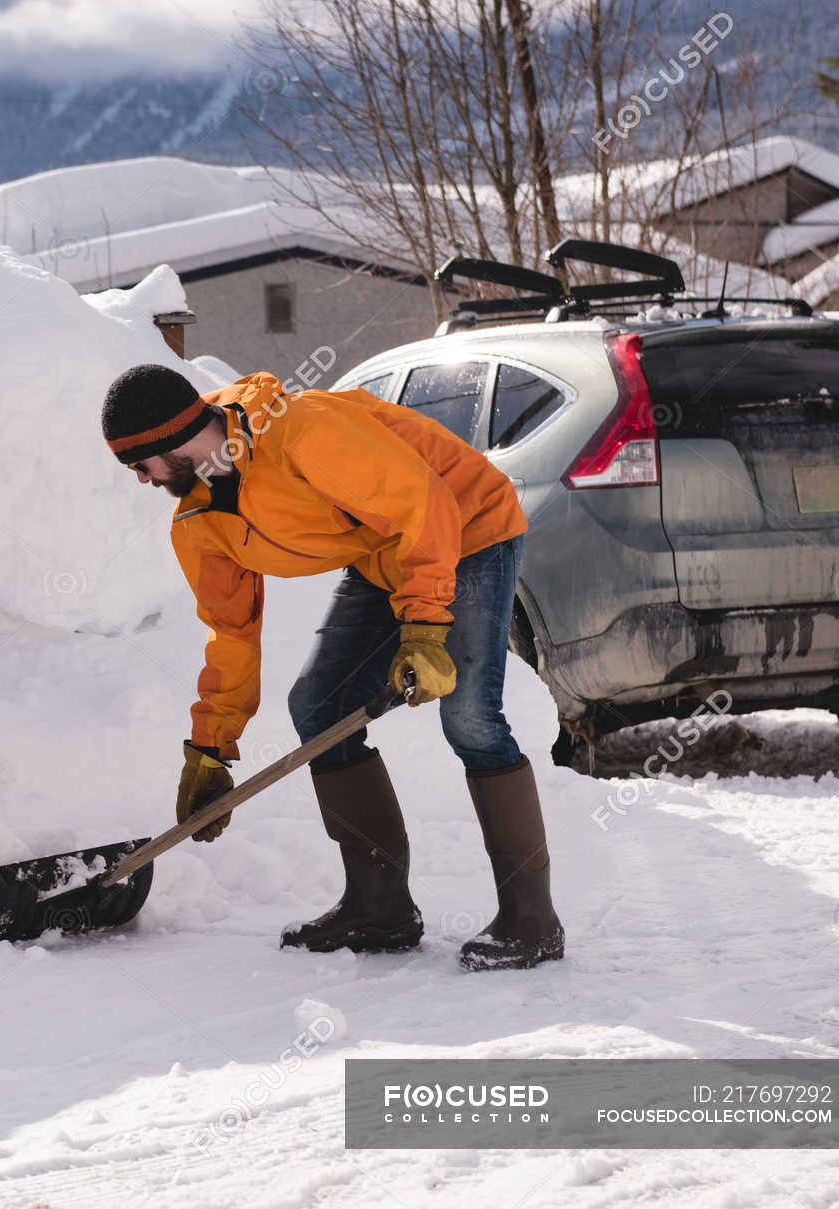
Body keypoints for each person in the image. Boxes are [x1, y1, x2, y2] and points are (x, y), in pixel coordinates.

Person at [99, 362, 563, 971]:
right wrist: (211, 748)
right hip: (381, 553)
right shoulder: (199, 520)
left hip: (465, 523)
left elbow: (421, 503)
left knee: (471, 716)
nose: (140, 479)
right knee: (320, 706)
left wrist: (424, 626)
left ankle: (531, 920)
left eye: (140, 463)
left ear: (169, 441)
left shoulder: (301, 431)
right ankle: (380, 908)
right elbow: (232, 632)